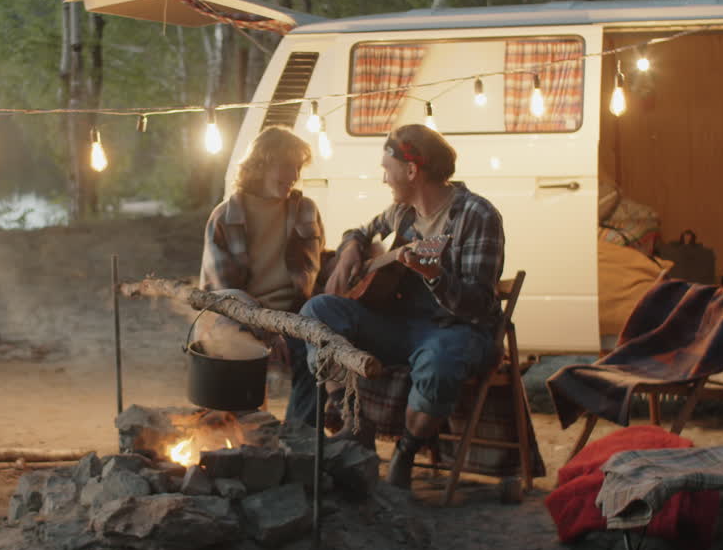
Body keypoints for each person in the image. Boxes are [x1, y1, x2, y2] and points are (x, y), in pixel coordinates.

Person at [301, 123, 505, 488]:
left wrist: (435, 276)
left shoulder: (478, 216)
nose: (384, 179)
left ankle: (406, 451)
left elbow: (478, 303)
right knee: (317, 312)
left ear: (411, 171)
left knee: (442, 360)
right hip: (400, 326)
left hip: (454, 328)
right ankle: (353, 422)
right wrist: (350, 247)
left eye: (387, 169)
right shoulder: (402, 212)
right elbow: (362, 231)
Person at [199, 126, 325, 425]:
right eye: (286, 165)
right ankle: (250, 438)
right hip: (239, 316)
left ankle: (299, 440)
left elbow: (314, 275)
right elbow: (223, 294)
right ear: (261, 165)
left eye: (297, 167)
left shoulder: (305, 209)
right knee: (236, 354)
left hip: (296, 316)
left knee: (321, 353)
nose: (294, 174)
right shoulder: (225, 216)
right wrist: (267, 328)